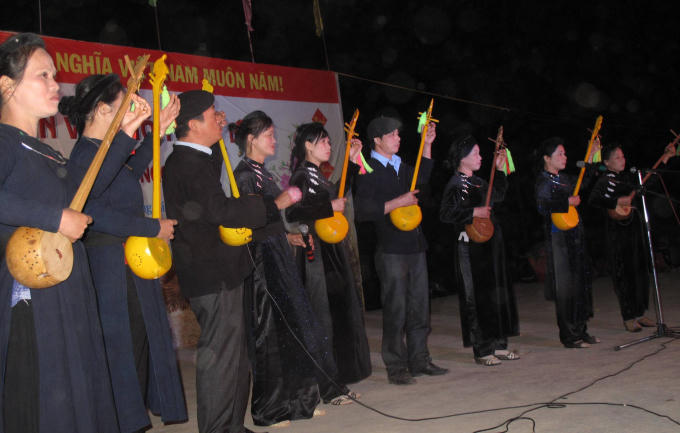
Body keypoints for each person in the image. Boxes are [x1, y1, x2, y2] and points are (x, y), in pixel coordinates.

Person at [0, 33, 118, 433]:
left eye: (55, 75)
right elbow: (58, 215)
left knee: (77, 392)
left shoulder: (44, 150)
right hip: (33, 298)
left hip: (66, 289)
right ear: (7, 85)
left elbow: (85, 194)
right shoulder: (4, 141)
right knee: (44, 399)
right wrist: (54, 218)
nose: (56, 84)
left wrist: (123, 132)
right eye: (43, 75)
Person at [60, 74, 187, 432]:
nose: (131, 112)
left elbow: (130, 167)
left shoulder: (106, 153)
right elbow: (92, 212)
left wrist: (156, 131)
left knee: (141, 341)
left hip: (129, 263)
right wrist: (151, 228)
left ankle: (135, 414)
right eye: (124, 106)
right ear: (103, 110)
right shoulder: (84, 155)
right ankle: (123, 421)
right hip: (108, 266)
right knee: (121, 347)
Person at [163, 91, 296, 433]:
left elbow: (209, 195)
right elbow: (218, 209)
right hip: (211, 272)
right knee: (221, 358)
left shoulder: (194, 159)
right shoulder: (185, 163)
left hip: (222, 270)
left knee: (235, 357)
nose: (220, 119)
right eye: (213, 114)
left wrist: (218, 135)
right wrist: (271, 204)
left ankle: (231, 426)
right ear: (194, 124)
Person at [232, 112, 356, 427]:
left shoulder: (262, 173)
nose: (275, 140)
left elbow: (270, 221)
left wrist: (288, 236)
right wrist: (281, 203)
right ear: (251, 139)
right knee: (270, 335)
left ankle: (301, 401)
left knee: (295, 329)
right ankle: (269, 408)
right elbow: (248, 220)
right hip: (262, 261)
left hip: (278, 252)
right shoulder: (244, 175)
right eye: (269, 135)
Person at [354, 115, 448, 385]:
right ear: (377, 139)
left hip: (415, 245)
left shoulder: (400, 165)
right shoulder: (367, 168)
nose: (398, 138)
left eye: (398, 134)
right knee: (396, 309)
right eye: (392, 134)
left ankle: (420, 360)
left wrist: (427, 144)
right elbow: (362, 210)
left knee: (420, 307)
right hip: (391, 249)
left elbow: (422, 178)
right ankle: (396, 366)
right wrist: (397, 202)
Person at [287, 122, 372, 385]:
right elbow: (293, 212)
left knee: (340, 312)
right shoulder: (301, 175)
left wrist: (352, 162)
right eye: (323, 141)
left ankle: (342, 373)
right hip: (316, 255)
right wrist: (328, 206)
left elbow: (337, 195)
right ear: (308, 145)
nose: (329, 146)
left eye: (329, 141)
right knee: (323, 315)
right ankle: (326, 380)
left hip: (331, 251)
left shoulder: (316, 174)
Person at [439, 135, 520, 365]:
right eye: (475, 153)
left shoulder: (478, 182)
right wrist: (473, 212)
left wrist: (500, 171)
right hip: (470, 247)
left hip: (489, 246)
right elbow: (446, 213)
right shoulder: (457, 184)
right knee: (476, 298)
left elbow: (497, 195)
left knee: (495, 294)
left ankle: (499, 344)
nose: (480, 157)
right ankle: (483, 350)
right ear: (461, 158)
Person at [587, 143, 666, 332]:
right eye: (617, 157)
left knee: (640, 273)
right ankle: (628, 316)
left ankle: (640, 313)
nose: (622, 160)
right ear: (607, 162)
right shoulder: (605, 180)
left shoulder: (628, 178)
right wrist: (615, 201)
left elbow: (648, 181)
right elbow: (593, 200)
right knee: (625, 275)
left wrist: (665, 158)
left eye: (622, 156)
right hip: (617, 234)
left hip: (634, 231)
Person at [535, 137, 600, 348]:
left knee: (580, 284)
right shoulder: (543, 181)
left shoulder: (563, 179)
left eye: (564, 153)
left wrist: (592, 157)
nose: (565, 157)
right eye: (559, 154)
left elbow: (584, 180)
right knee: (566, 289)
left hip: (575, 236)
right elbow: (542, 205)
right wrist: (566, 202)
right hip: (558, 240)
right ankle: (570, 336)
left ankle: (581, 329)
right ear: (547, 158)